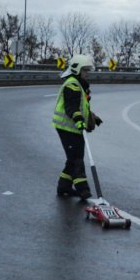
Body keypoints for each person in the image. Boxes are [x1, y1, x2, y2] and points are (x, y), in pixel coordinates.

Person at [52, 54, 102, 199]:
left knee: (73, 158)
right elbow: (71, 107)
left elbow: (81, 106)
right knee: (76, 159)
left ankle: (64, 187)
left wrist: (92, 117)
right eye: (85, 70)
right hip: (66, 127)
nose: (87, 73)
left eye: (87, 70)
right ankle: (82, 189)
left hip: (74, 127)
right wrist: (79, 120)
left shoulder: (79, 84)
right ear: (77, 69)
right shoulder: (72, 85)